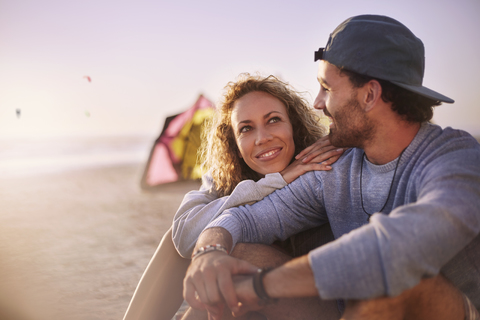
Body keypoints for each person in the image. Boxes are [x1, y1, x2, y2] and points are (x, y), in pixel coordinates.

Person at [183, 15, 480, 320]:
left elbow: (395, 251)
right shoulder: (336, 165)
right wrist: (210, 252)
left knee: (397, 289)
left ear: (369, 95)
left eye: (327, 88)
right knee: (231, 266)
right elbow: (248, 219)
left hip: (445, 308)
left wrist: (262, 286)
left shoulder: (454, 158)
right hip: (346, 311)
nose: (317, 103)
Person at [122, 74, 344, 320]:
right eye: (246, 128)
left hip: (312, 301)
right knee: (196, 259)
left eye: (273, 120)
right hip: (256, 301)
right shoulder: (225, 178)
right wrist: (274, 182)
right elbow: (182, 236)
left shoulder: (316, 167)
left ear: (294, 126)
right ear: (235, 145)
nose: (262, 138)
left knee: (229, 262)